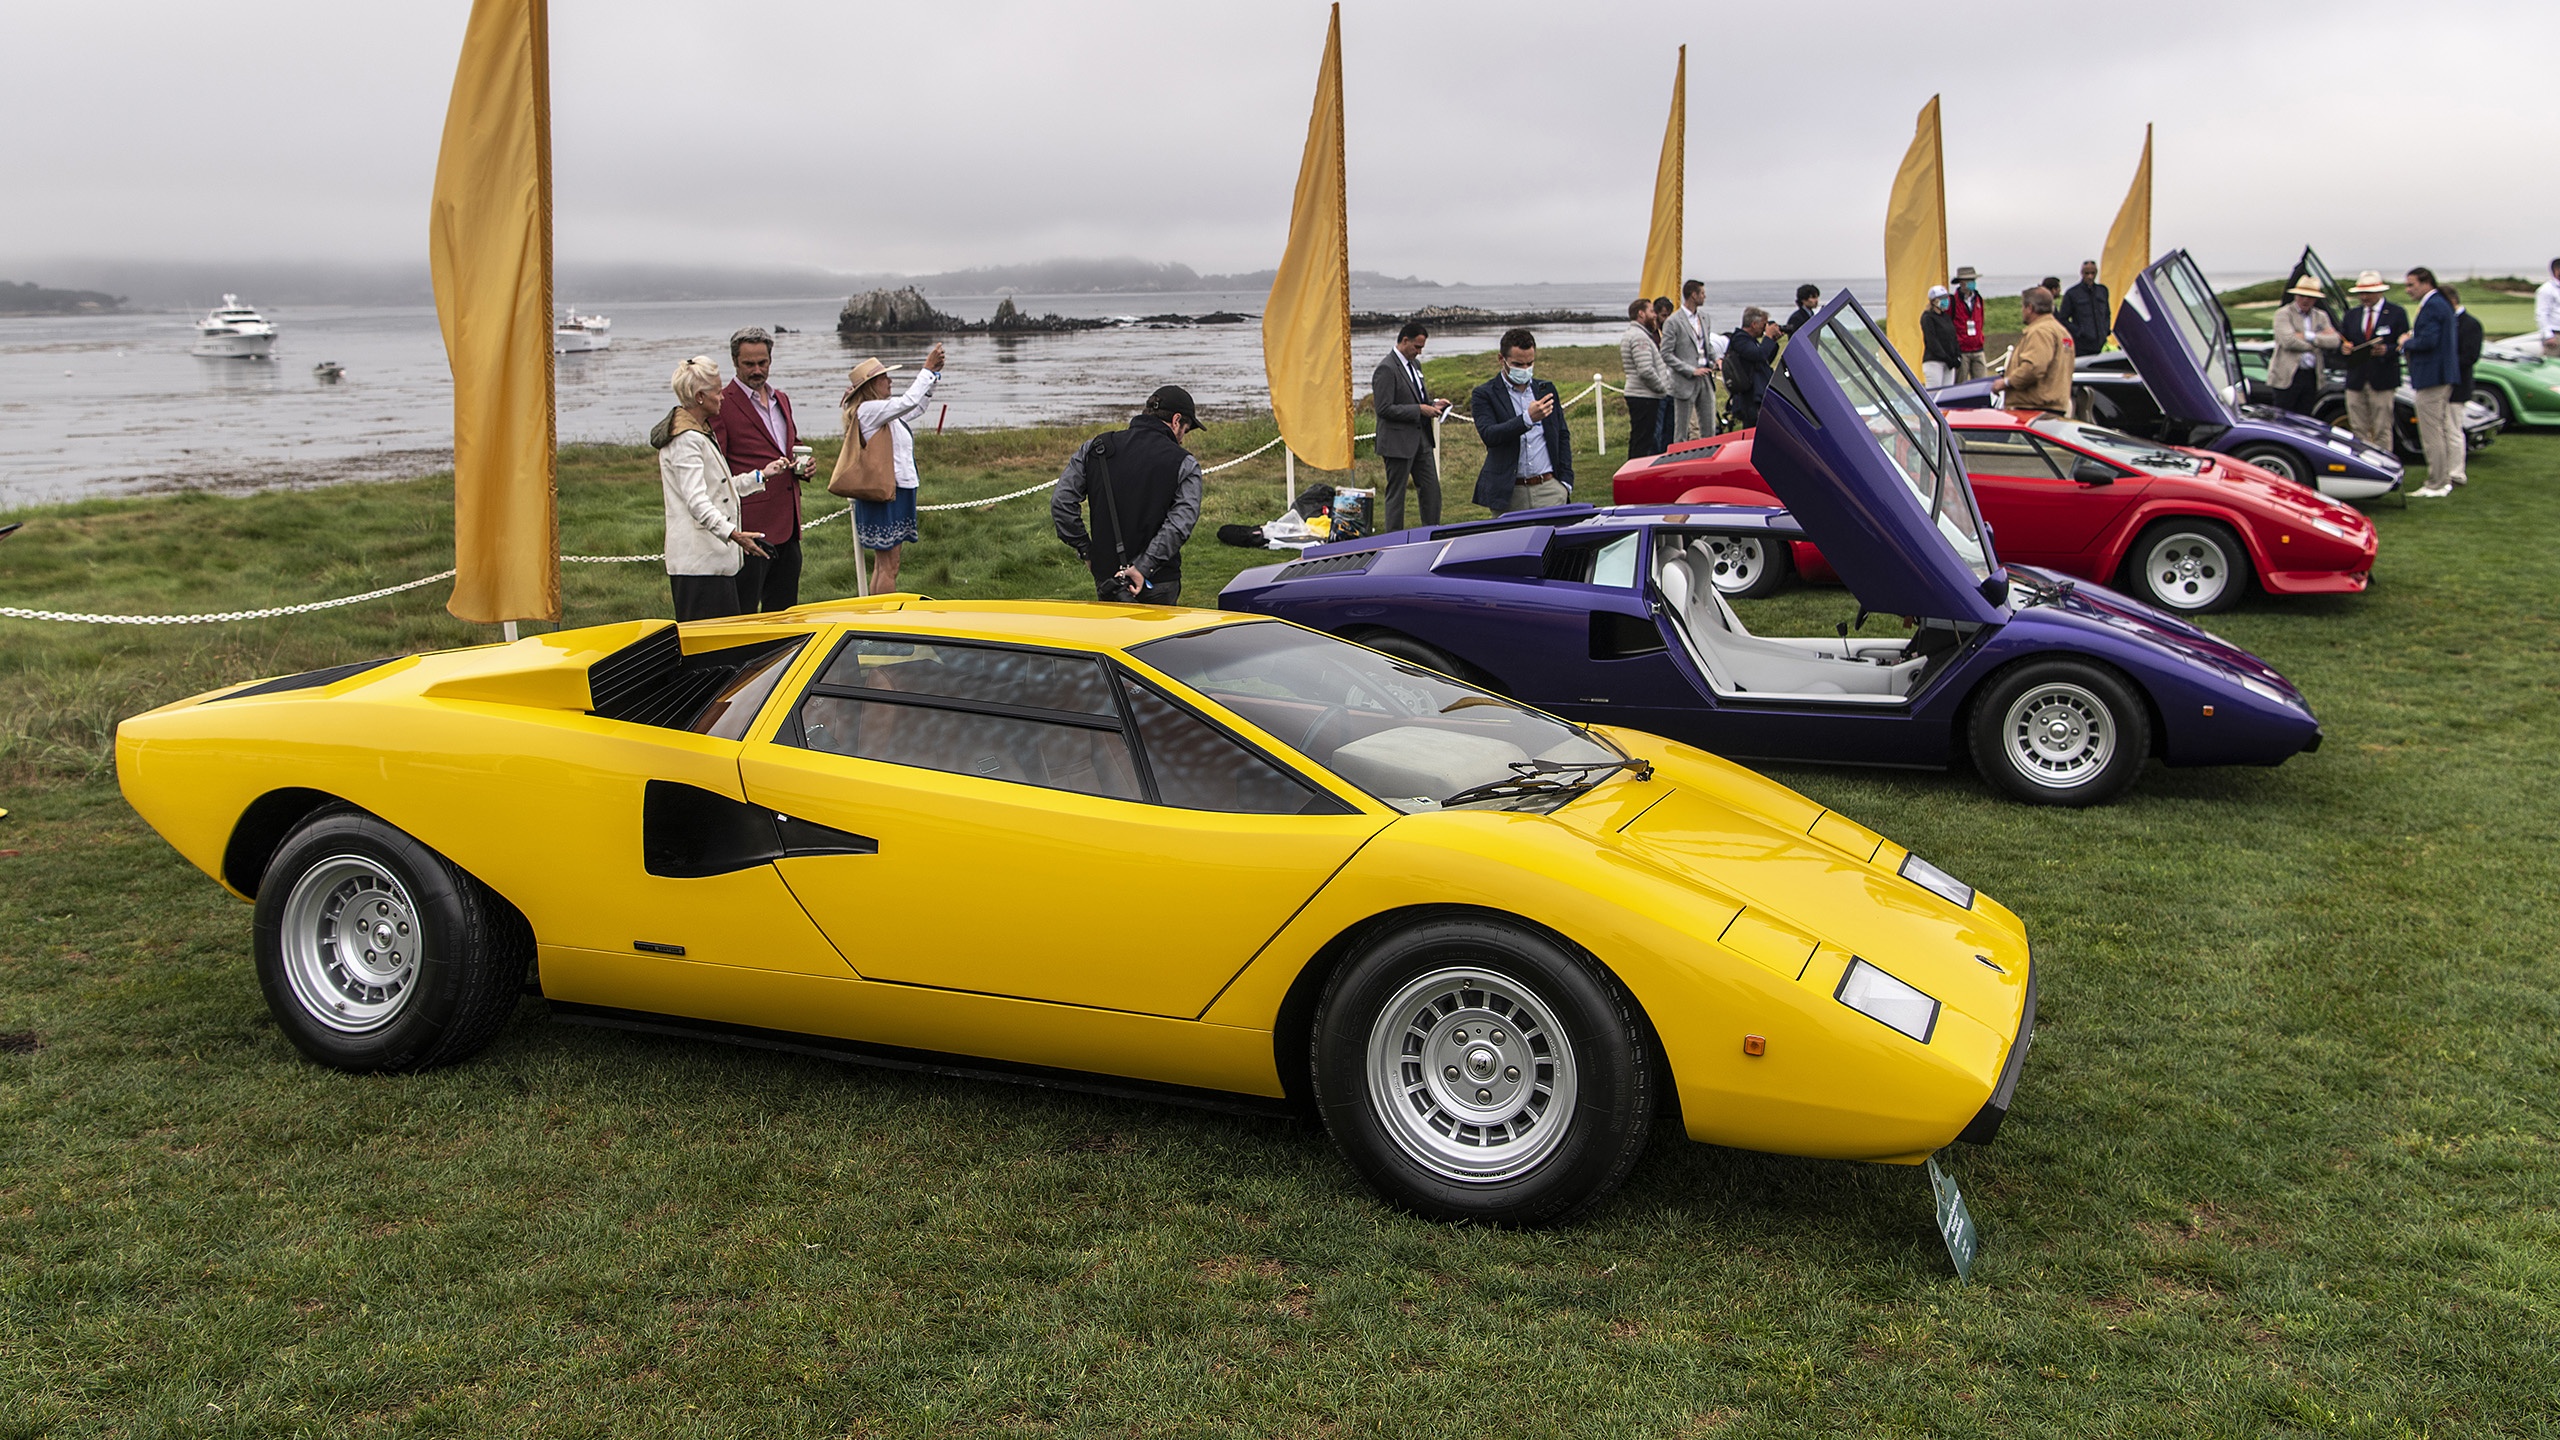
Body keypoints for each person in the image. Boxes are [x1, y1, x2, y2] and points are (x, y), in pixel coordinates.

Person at [655, 355, 792, 621]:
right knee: (708, 651)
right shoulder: (686, 440)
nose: (723, 397)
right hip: (698, 565)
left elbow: (718, 489)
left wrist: (762, 475)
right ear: (699, 397)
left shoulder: (701, 432)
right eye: (717, 392)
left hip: (714, 563)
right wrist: (734, 534)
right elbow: (697, 501)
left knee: (724, 646)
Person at [1052, 385, 1205, 605]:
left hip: (1109, 579)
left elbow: (1061, 503)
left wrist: (1087, 550)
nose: (1182, 439)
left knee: (1113, 638)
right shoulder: (1184, 462)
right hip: (1159, 580)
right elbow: (1180, 524)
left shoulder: (1096, 448)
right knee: (1159, 640)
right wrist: (1144, 567)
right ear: (1176, 420)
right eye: (1186, 429)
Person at [710, 326, 812, 612]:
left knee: (784, 612)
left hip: (789, 525)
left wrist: (804, 465)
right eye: (749, 364)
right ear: (735, 362)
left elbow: (789, 443)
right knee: (744, 613)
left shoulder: (782, 399)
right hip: (750, 529)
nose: (757, 370)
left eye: (763, 362)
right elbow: (718, 466)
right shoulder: (722, 403)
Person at [843, 344, 946, 593]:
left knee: (887, 564)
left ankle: (878, 616)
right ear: (871, 386)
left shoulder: (882, 412)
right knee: (889, 564)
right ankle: (884, 620)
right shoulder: (869, 410)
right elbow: (908, 401)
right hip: (886, 492)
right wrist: (927, 370)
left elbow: (916, 406)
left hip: (894, 490)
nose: (890, 381)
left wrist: (932, 379)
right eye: (884, 378)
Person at [1470, 328, 1575, 513]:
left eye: (1530, 363)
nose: (1525, 370)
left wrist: (1565, 482)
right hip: (1510, 492)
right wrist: (1527, 419)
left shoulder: (1546, 389)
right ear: (1501, 359)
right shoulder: (1484, 394)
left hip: (1549, 488)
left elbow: (1562, 434)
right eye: (1518, 364)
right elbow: (1490, 435)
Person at [1370, 320, 1450, 531]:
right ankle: (1393, 539)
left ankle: (1432, 531)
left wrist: (1434, 405)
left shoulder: (1415, 365)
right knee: (1397, 493)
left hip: (1421, 439)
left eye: (1422, 348)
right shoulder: (1386, 369)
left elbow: (1418, 398)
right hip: (1397, 442)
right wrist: (1419, 410)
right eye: (1417, 347)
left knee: (1432, 489)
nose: (1419, 352)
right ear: (1405, 341)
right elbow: (1384, 409)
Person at [2401, 268, 2460, 498]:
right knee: (2439, 429)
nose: (2408, 290)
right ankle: (2442, 479)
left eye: (2411, 285)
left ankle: (2436, 483)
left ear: (2426, 283)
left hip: (2433, 377)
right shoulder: (2439, 303)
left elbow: (2428, 341)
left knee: (2431, 432)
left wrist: (2407, 341)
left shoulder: (2434, 304)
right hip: (2439, 376)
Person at [2336, 270, 2407, 453]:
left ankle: (2385, 466)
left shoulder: (2396, 313)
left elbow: (2403, 343)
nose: (2364, 297)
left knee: (2382, 427)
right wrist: (2344, 348)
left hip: (2382, 378)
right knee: (2358, 427)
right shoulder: (2352, 315)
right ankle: (2363, 466)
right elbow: (2342, 341)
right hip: (2356, 378)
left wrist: (2387, 350)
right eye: (2361, 293)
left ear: (2379, 292)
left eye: (2368, 293)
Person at [1994, 287, 2075, 415]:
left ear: (2030, 308)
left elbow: (2034, 367)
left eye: (2023, 307)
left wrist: (2006, 382)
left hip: (2034, 407)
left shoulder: (2040, 332)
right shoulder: (2061, 331)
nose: (2022, 311)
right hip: (2054, 406)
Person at [2268, 276, 2341, 416]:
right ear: (2295, 295)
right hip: (2287, 376)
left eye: (2310, 297)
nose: (2305, 300)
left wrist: (2308, 336)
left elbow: (2335, 341)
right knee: (2283, 417)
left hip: (2311, 375)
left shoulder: (2321, 316)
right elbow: (2288, 341)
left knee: (2305, 417)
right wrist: (2317, 344)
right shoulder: (2283, 314)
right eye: (2302, 296)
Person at [1618, 299, 1675, 459]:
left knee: (1641, 440)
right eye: (1651, 311)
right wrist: (1662, 388)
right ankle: (1638, 476)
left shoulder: (1637, 334)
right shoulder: (1639, 337)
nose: (1655, 315)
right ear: (1641, 314)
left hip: (1643, 395)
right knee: (1646, 442)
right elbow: (1645, 370)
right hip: (1645, 396)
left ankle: (1635, 473)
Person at [1663, 280, 1714, 441]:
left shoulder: (1704, 318)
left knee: (1709, 426)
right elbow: (1666, 353)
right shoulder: (1673, 321)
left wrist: (1716, 360)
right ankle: (1679, 462)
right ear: (1693, 295)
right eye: (1702, 293)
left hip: (1705, 376)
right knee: (1682, 430)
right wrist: (1690, 370)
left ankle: (1708, 459)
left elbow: (1707, 345)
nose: (1705, 296)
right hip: (1685, 380)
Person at [2444, 283, 2484, 489]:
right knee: (2442, 430)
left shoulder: (2470, 324)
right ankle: (2444, 470)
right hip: (2440, 385)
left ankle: (2457, 472)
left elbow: (2470, 356)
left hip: (2458, 385)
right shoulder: (2446, 322)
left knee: (2453, 429)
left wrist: (2442, 363)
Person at [1722, 308, 1782, 428]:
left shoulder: (1750, 341)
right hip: (1749, 397)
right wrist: (1768, 337)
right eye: (1763, 324)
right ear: (1754, 324)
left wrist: (1773, 340)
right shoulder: (1740, 339)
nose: (1765, 328)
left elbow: (1764, 360)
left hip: (1757, 394)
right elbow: (1758, 355)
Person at [2058, 260, 2111, 355]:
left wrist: (2106, 329)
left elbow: (2107, 313)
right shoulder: (2072, 293)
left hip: (2101, 342)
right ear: (2082, 273)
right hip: (2082, 345)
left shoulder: (2102, 291)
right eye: (2087, 273)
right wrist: (2079, 332)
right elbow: (2063, 319)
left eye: (2093, 273)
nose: (2090, 276)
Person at [1948, 267, 1989, 382]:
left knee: (1982, 382)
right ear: (1961, 282)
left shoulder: (1978, 299)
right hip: (1962, 350)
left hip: (1978, 348)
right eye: (1968, 280)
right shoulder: (1953, 301)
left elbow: (1981, 321)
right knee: (1960, 384)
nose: (1972, 283)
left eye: (1973, 280)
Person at [1650, 297, 1679, 450]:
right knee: (1657, 430)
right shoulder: (1652, 334)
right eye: (1663, 316)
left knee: (1670, 428)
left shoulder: (1672, 332)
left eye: (1669, 315)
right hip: (1659, 387)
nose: (1667, 319)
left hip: (1672, 386)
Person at [1920, 285, 1961, 387]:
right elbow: (1932, 341)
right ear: (1934, 301)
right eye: (1942, 299)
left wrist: (1957, 356)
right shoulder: (1927, 317)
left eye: (1946, 298)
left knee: (1948, 395)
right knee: (1934, 394)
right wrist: (1946, 357)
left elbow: (1953, 337)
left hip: (1949, 363)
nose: (1946, 301)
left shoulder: (1946, 317)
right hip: (1934, 362)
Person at [2538, 258, 2560, 357]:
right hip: (2555, 334)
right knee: (2552, 367)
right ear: (2556, 270)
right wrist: (2548, 336)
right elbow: (2541, 314)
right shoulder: (2546, 289)